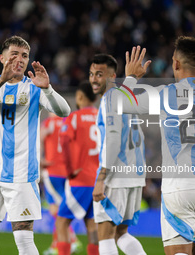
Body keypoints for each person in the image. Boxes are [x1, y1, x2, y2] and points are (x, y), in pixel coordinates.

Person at [117, 37, 195, 255]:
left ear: (176, 64)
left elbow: (121, 103)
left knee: (179, 251)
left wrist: (131, 77)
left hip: (180, 186)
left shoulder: (165, 94)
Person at [0, 35, 71, 255]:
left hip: (23, 175)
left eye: (24, 55)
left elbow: (64, 112)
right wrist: (1, 80)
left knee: (24, 239)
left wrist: (48, 89)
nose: (20, 59)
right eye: (14, 54)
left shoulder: (34, 88)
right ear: (2, 57)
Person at [90, 54, 147, 255]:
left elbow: (112, 139)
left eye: (100, 74)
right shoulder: (128, 99)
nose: (94, 79)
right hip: (135, 174)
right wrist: (132, 78)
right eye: (91, 74)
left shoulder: (110, 98)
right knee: (120, 233)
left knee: (105, 234)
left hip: (116, 175)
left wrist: (101, 178)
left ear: (112, 76)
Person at [55, 81, 99, 255]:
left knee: (61, 222)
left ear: (80, 96)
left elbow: (64, 141)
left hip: (80, 179)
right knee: (92, 224)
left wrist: (69, 169)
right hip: (98, 180)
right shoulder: (102, 116)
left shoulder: (74, 117)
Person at [40, 112, 81, 255]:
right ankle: (55, 245)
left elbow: (38, 138)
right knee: (60, 208)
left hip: (52, 171)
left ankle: (73, 240)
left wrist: (40, 158)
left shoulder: (48, 123)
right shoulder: (68, 123)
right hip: (67, 171)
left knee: (55, 210)